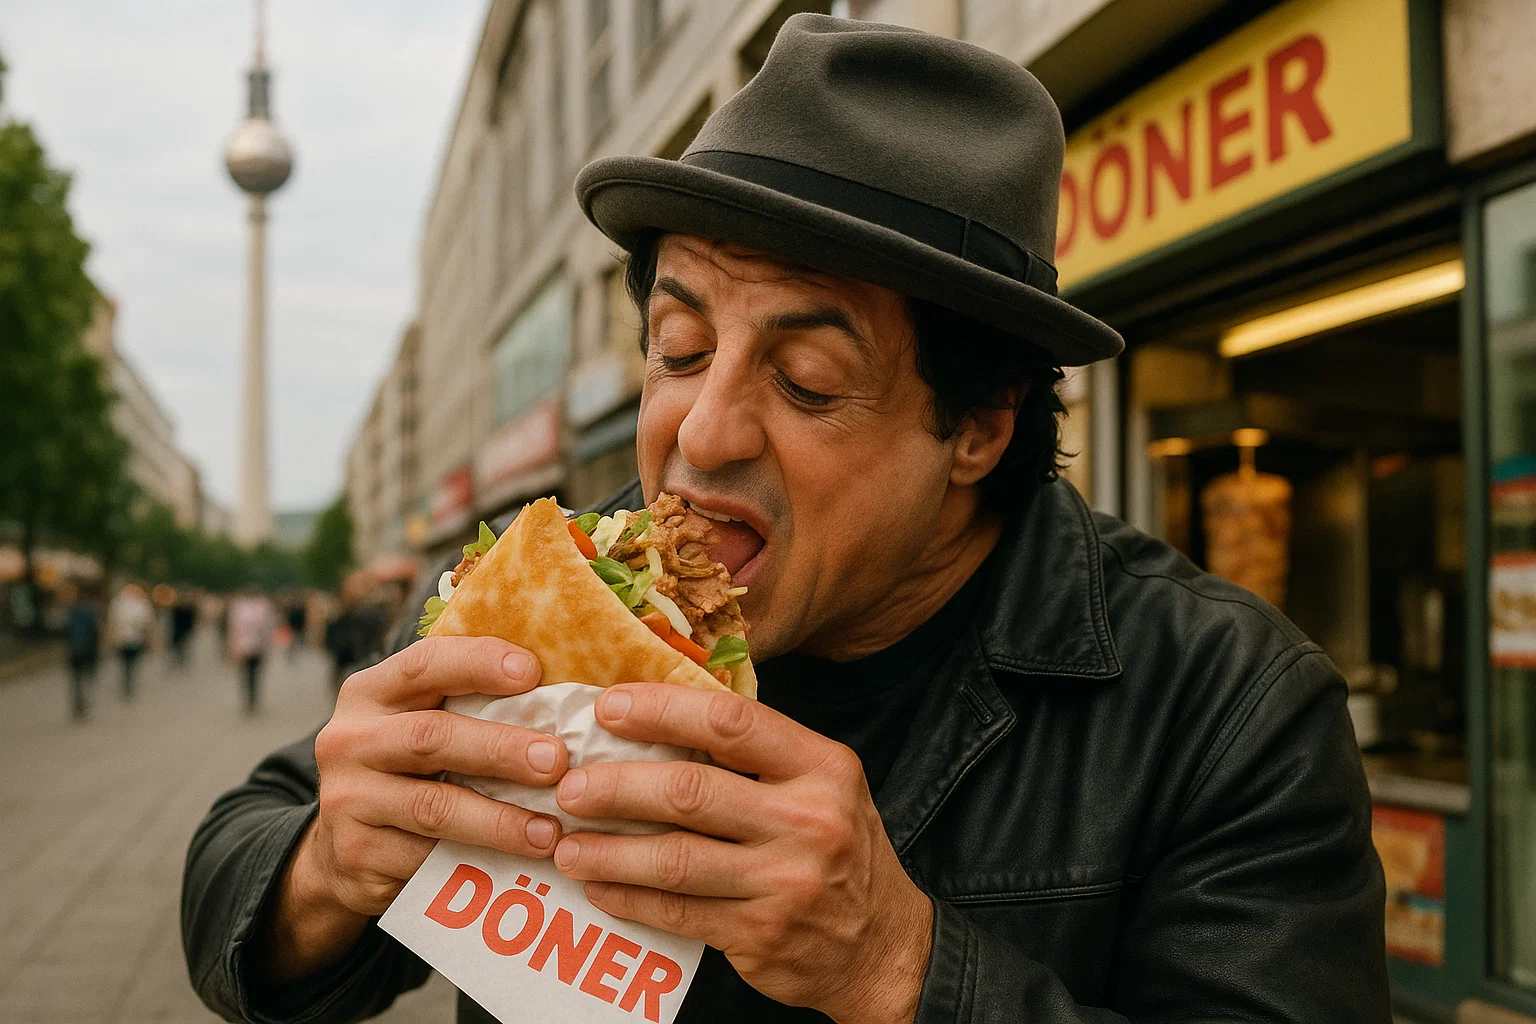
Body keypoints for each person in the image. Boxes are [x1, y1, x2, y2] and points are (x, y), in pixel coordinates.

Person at [183, 17, 1390, 1024]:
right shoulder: (539, 589)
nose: (703, 431)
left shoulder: (1227, 707)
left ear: (979, 426)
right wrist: (327, 868)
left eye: (807, 379)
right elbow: (239, 862)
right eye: (678, 347)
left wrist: (901, 964)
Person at [227, 590, 277, 713]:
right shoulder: (261, 608)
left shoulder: (242, 609)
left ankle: (251, 699)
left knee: (250, 674)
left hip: (251, 646)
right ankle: (251, 699)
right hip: (250, 647)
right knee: (251, 674)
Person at [106, 581, 153, 700]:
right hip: (122, 639)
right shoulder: (118, 603)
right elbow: (112, 620)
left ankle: (129, 682)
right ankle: (127, 682)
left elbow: (147, 622)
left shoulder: (142, 603)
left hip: (136, 639)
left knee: (133, 663)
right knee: (125, 663)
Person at [63, 583, 101, 720]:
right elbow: (95, 633)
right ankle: (82, 702)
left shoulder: (73, 612)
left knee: (77, 679)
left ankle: (78, 702)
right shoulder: (91, 613)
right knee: (85, 678)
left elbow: (67, 632)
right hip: (87, 650)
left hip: (75, 650)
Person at [170, 596, 198, 667]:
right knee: (178, 646)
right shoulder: (179, 609)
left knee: (184, 646)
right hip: (178, 631)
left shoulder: (188, 610)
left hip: (184, 631)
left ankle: (181, 659)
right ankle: (178, 659)